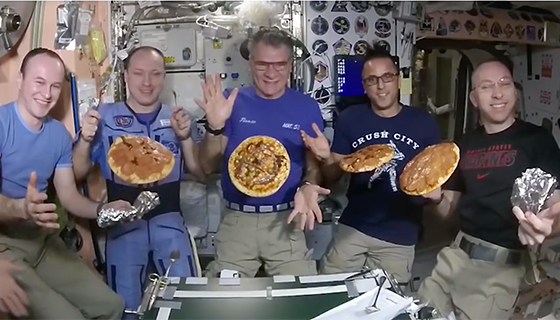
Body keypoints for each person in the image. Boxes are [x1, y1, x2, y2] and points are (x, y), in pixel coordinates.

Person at [418, 59, 560, 320]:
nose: (497, 93)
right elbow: (448, 210)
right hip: (454, 256)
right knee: (420, 313)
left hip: (500, 268)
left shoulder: (538, 140)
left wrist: (551, 224)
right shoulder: (464, 144)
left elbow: (556, 203)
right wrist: (435, 199)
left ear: (514, 91)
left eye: (504, 84)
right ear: (474, 98)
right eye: (486, 87)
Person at [72, 46, 203, 317]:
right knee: (125, 307)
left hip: (170, 222)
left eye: (155, 74)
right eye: (139, 73)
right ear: (125, 77)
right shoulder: (105, 117)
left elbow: (199, 172)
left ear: (164, 77)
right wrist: (85, 140)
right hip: (124, 227)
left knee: (187, 303)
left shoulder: (179, 118)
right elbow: (77, 172)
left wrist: (186, 138)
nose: (147, 82)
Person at [0, 48, 127, 319]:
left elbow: (68, 196)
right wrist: (20, 207)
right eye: (39, 82)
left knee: (112, 306)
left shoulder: (58, 134)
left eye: (55, 86)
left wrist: (102, 210)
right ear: (20, 81)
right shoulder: (2, 125)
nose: (47, 93)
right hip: (5, 247)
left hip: (43, 241)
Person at [195, 27, 329, 278]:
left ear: (290, 66)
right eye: (262, 64)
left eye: (279, 64)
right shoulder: (229, 101)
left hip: (287, 221)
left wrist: (310, 184)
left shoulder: (307, 107)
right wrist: (214, 128)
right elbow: (206, 166)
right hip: (237, 222)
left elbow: (312, 167)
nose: (271, 73)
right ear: (250, 64)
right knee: (225, 300)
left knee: (300, 295)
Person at [301, 49, 441, 283]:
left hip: (399, 235)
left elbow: (435, 177)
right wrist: (327, 158)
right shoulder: (350, 118)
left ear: (397, 80)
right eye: (372, 80)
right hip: (354, 227)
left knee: (387, 306)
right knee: (330, 290)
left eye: (387, 77)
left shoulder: (423, 122)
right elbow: (333, 177)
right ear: (364, 86)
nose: (381, 86)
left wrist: (435, 195)